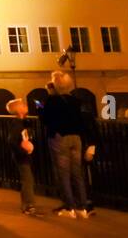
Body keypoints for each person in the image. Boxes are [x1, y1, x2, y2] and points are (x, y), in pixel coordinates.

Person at [39, 72, 91, 218]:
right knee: (77, 173)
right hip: (76, 137)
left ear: (55, 85)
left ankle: (70, 207)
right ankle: (82, 207)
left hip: (59, 137)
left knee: (63, 173)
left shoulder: (52, 101)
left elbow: (44, 119)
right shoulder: (75, 101)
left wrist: (49, 95)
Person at [6, 98, 39, 215]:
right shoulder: (17, 124)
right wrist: (23, 150)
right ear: (19, 111)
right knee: (28, 180)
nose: (26, 105)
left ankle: (25, 205)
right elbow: (11, 140)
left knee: (27, 180)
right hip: (21, 156)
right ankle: (29, 205)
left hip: (24, 155)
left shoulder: (22, 122)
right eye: (23, 105)